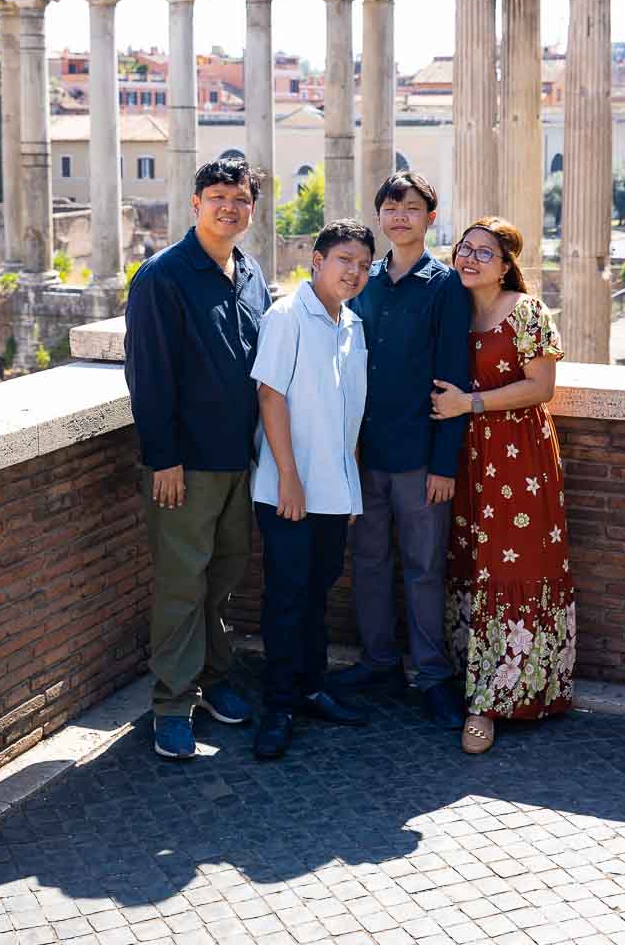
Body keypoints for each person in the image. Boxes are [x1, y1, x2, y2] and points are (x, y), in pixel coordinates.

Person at [124, 158, 271, 760]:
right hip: (185, 465)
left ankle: (212, 678)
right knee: (182, 585)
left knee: (222, 580)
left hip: (240, 459)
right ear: (194, 204)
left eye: (239, 199)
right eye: (217, 197)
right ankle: (170, 704)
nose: (228, 208)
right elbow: (149, 374)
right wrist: (164, 459)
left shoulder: (251, 272)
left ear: (252, 209)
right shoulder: (162, 276)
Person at [328, 173, 471, 728]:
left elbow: (453, 380)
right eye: (390, 208)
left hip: (419, 457)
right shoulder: (364, 282)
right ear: (380, 216)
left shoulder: (446, 288)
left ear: (430, 218)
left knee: (425, 567)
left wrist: (443, 463)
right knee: (366, 563)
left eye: (411, 208)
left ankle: (432, 676)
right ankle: (380, 661)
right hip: (365, 454)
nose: (400, 217)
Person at [431, 216, 574, 755]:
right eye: (464, 248)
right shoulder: (452, 308)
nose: (469, 258)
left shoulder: (527, 311)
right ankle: (469, 681)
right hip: (466, 457)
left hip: (519, 458)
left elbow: (541, 386)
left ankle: (493, 700)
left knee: (516, 565)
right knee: (469, 563)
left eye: (483, 252)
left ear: (506, 263)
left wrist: (469, 403)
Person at [250, 220, 375, 760]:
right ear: (317, 261)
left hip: (333, 489)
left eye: (364, 265)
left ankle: (311, 688)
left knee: (316, 596)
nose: (354, 272)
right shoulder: (287, 317)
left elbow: (348, 418)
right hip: (289, 491)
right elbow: (270, 397)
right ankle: (277, 706)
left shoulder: (353, 325)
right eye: (344, 260)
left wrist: (346, 491)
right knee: (286, 598)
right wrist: (290, 479)